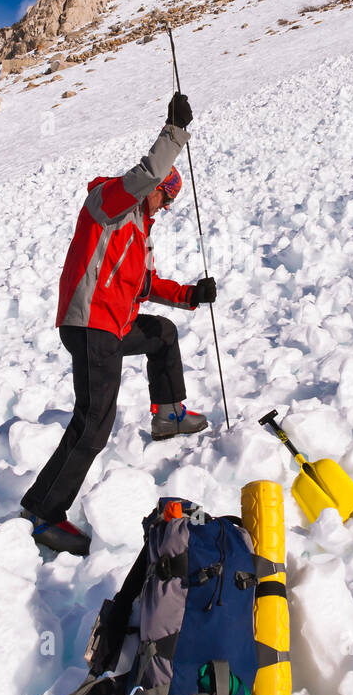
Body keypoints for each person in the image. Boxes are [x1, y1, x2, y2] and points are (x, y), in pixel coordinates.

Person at [21, 92, 217, 556]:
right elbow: (148, 170)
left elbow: (146, 285)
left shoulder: (138, 235)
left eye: (171, 199)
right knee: (94, 422)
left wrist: (191, 295)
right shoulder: (107, 204)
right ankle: (43, 511)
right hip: (90, 324)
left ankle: (168, 414)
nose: (165, 204)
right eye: (165, 194)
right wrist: (173, 132)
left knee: (162, 335)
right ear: (152, 186)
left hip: (113, 324)